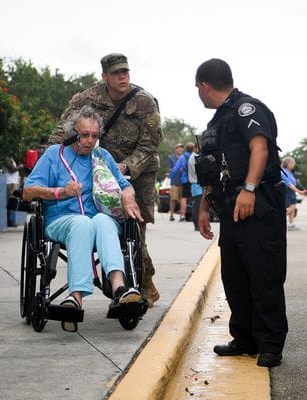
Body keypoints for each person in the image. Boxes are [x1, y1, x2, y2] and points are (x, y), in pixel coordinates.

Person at [48, 53, 163, 308]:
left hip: (136, 171)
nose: (122, 77)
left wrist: (120, 169)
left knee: (134, 229)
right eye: (116, 73)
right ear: (105, 76)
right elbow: (62, 130)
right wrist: (54, 157)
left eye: (125, 72)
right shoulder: (87, 98)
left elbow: (149, 147)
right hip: (95, 165)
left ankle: (142, 284)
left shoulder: (145, 102)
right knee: (99, 220)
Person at [195, 58, 287, 368]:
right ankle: (245, 338)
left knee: (264, 277)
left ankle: (271, 344)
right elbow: (211, 170)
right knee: (235, 277)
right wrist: (204, 208)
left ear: (205, 86)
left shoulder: (247, 109)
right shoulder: (217, 123)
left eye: (197, 88)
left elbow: (260, 148)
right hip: (231, 210)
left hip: (258, 205)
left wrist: (249, 188)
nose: (198, 93)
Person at [23, 106, 143, 332]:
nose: (89, 141)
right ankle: (75, 298)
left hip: (96, 220)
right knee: (83, 223)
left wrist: (127, 195)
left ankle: (119, 289)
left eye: (95, 136)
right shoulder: (54, 155)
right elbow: (28, 191)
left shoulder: (102, 156)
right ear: (72, 134)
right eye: (84, 135)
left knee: (103, 221)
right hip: (61, 220)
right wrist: (59, 192)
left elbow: (125, 184)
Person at [281, 156, 307, 231]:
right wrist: (299, 191)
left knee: (293, 208)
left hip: (291, 192)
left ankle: (291, 225)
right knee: (291, 207)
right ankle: (278, 220)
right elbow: (289, 184)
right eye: (292, 163)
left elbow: (295, 183)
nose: (293, 165)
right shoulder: (283, 171)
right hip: (287, 192)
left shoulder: (290, 172)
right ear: (287, 163)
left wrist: (302, 189)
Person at [169, 141, 194, 222]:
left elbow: (175, 168)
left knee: (183, 198)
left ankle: (183, 215)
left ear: (185, 149)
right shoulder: (195, 156)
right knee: (195, 198)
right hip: (194, 180)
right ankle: (195, 214)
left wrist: (170, 176)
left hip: (185, 180)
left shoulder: (182, 158)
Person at [3, 154, 22, 226]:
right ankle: (9, 221)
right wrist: (19, 167)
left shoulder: (12, 159)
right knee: (10, 202)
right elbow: (12, 170)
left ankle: (10, 220)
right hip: (10, 182)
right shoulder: (7, 159)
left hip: (13, 182)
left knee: (13, 202)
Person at [167, 143, 184, 221]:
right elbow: (169, 169)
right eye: (178, 148)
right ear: (175, 149)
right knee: (173, 199)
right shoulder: (171, 157)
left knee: (182, 198)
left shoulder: (184, 157)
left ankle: (182, 215)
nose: (180, 149)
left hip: (183, 180)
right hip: (174, 180)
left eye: (181, 148)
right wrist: (177, 169)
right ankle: (171, 215)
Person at [187, 143, 202, 231]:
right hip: (196, 184)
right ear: (195, 149)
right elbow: (198, 171)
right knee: (197, 205)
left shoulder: (194, 157)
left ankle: (197, 224)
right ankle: (196, 224)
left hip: (197, 184)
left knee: (198, 205)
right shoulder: (193, 158)